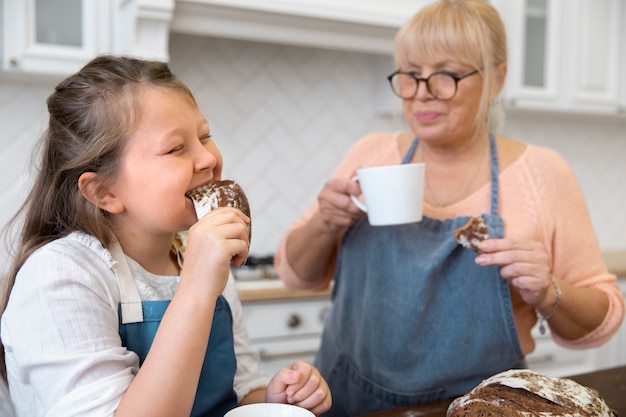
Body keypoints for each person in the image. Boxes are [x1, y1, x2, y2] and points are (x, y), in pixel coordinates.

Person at [274, 0, 624, 416]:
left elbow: (602, 319)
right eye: (410, 74)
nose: (422, 93)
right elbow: (295, 275)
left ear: (497, 78)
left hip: (486, 408)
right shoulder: (371, 154)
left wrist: (546, 289)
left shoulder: (542, 174)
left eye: (445, 75)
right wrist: (324, 224)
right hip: (348, 403)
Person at [0, 55, 331, 417]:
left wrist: (273, 400)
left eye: (205, 136)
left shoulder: (196, 255)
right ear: (104, 192)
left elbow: (237, 389)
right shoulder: (60, 277)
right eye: (175, 148)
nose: (208, 158)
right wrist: (196, 290)